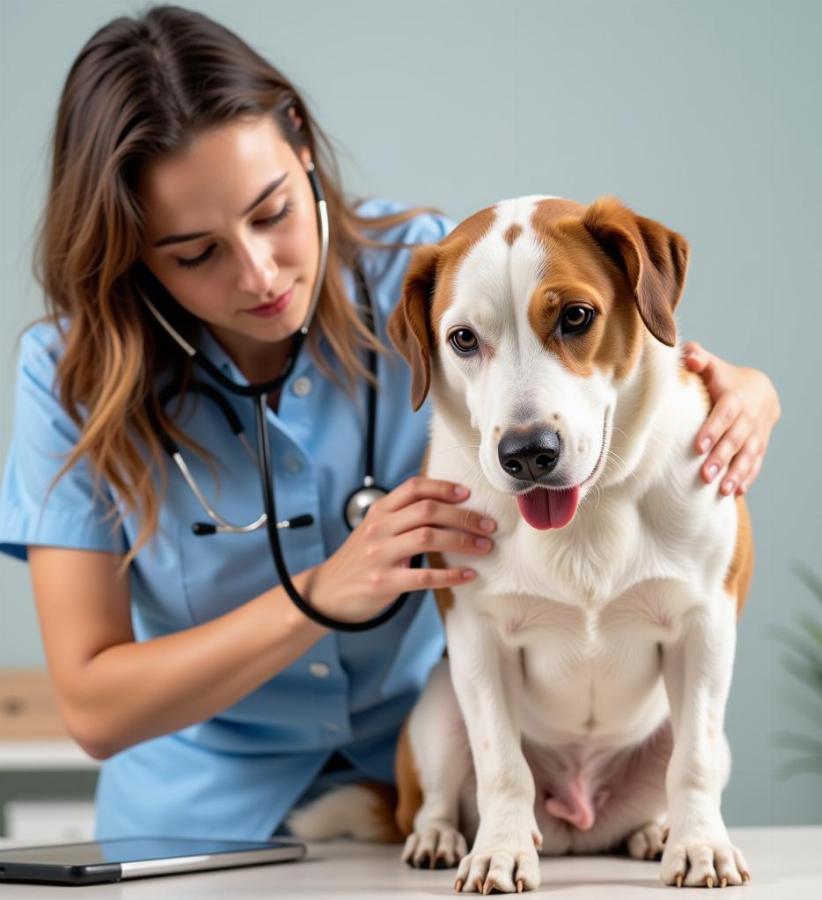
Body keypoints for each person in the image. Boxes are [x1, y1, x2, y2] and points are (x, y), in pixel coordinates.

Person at [0, 5, 781, 841]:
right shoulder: (69, 375)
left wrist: (743, 388)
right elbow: (91, 705)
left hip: (425, 801)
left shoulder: (427, 274)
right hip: (193, 835)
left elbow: (574, 341)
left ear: (300, 142)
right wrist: (321, 597)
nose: (259, 273)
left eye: (271, 214)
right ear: (133, 251)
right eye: (196, 253)